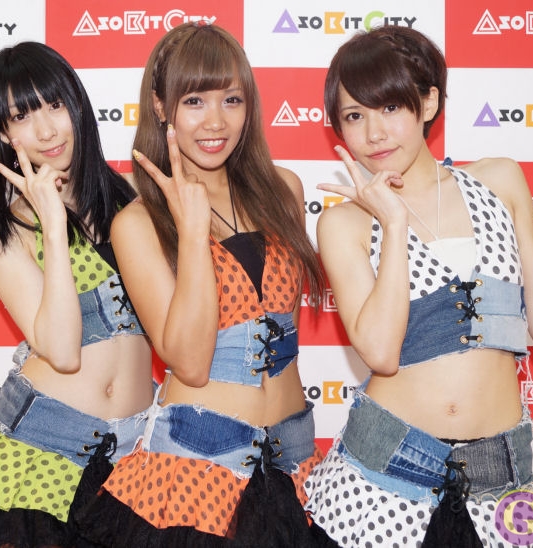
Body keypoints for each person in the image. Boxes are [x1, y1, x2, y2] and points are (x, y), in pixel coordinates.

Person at [303, 26, 533, 548]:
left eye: (390, 107)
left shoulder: (500, 181)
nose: (374, 133)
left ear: (429, 102)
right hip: (384, 485)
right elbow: (380, 353)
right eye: (354, 116)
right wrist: (392, 224)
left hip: (499, 484)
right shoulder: (343, 224)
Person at [73, 22, 326, 547]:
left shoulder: (285, 190)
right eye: (194, 101)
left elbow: (281, 332)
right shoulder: (138, 223)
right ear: (161, 106)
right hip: (196, 470)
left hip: (293, 463)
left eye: (231, 99)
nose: (215, 121)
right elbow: (188, 363)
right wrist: (191, 233)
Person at [0, 41, 153, 548]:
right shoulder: (5, 233)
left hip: (136, 453)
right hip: (42, 452)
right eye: (22, 116)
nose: (46, 130)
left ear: (77, 105)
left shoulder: (133, 198)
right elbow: (63, 352)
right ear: (4, 133)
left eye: (55, 105)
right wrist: (52, 225)